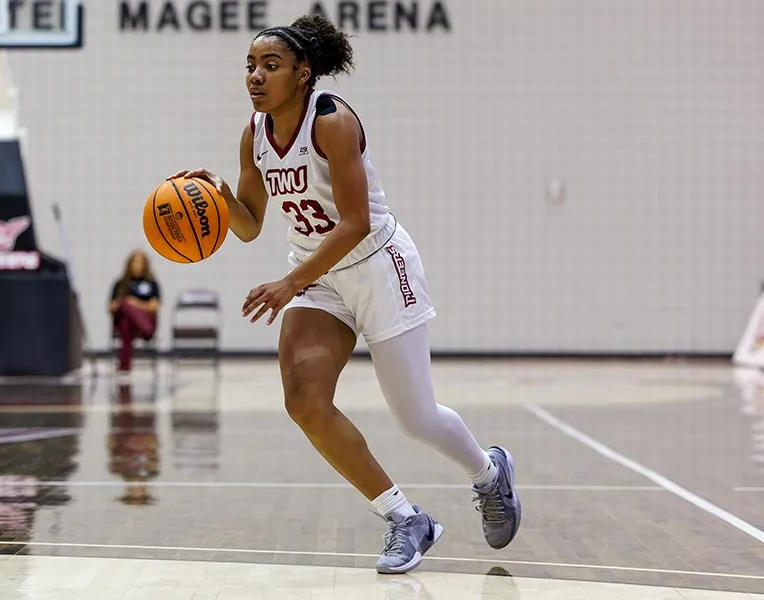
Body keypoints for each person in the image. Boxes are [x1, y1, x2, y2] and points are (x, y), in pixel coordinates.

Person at [167, 14, 521, 574]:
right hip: (318, 277)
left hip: (379, 264)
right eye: (250, 66)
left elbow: (355, 222)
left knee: (416, 417)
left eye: (270, 65)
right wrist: (211, 195)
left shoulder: (331, 121)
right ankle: (406, 518)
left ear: (304, 73)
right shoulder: (254, 133)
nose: (255, 77)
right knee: (304, 401)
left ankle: (487, 472)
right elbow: (250, 222)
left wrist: (290, 282)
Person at [109, 250, 160, 373]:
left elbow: (154, 306)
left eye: (141, 263)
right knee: (125, 317)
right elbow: (111, 307)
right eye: (135, 262)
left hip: (145, 320)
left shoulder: (151, 284)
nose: (138, 266)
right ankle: (145, 329)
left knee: (126, 314)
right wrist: (126, 304)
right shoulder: (120, 284)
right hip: (125, 324)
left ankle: (124, 366)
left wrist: (134, 304)